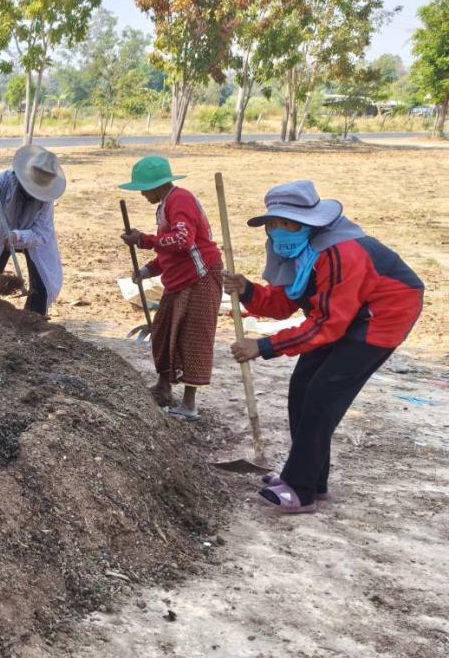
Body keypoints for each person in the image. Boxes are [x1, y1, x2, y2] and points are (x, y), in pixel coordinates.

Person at [225, 181, 423, 514]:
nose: (277, 231)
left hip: (381, 318)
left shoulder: (342, 252)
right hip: (339, 317)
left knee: (323, 394)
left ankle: (300, 489)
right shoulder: (295, 252)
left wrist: (264, 346)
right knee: (302, 387)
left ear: (309, 223)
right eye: (272, 224)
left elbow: (329, 325)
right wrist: (247, 290)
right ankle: (312, 479)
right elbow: (283, 303)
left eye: (286, 224)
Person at [119, 155, 224, 420]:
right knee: (164, 331)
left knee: (192, 338)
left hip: (200, 277)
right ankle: (163, 387)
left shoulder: (181, 200)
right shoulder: (166, 204)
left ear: (157, 186)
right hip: (179, 278)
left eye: (144, 189)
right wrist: (148, 270)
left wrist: (143, 240)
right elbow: (171, 251)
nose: (142, 194)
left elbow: (182, 240)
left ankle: (189, 404)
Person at [0, 144, 67, 316]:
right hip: (1, 235)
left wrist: (17, 237)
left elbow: (41, 234)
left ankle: (33, 318)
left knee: (41, 287)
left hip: (34, 241)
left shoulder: (46, 199)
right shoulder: (6, 180)